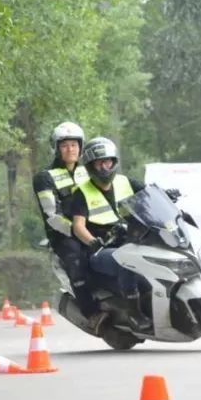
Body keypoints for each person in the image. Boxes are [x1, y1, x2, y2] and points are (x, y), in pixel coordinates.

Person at [70, 137, 151, 331]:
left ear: (114, 162)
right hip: (102, 250)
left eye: (108, 161)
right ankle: (134, 313)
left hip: (130, 240)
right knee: (127, 260)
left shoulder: (125, 182)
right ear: (91, 166)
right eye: (99, 163)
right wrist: (93, 242)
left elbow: (149, 195)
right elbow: (78, 226)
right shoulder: (82, 192)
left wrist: (167, 195)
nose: (105, 167)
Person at [32, 121, 95, 316]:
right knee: (76, 260)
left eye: (74, 145)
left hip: (93, 229)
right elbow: (52, 215)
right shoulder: (45, 177)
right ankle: (92, 313)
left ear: (81, 146)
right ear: (56, 148)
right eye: (65, 145)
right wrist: (78, 232)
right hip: (64, 235)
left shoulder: (89, 172)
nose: (70, 149)